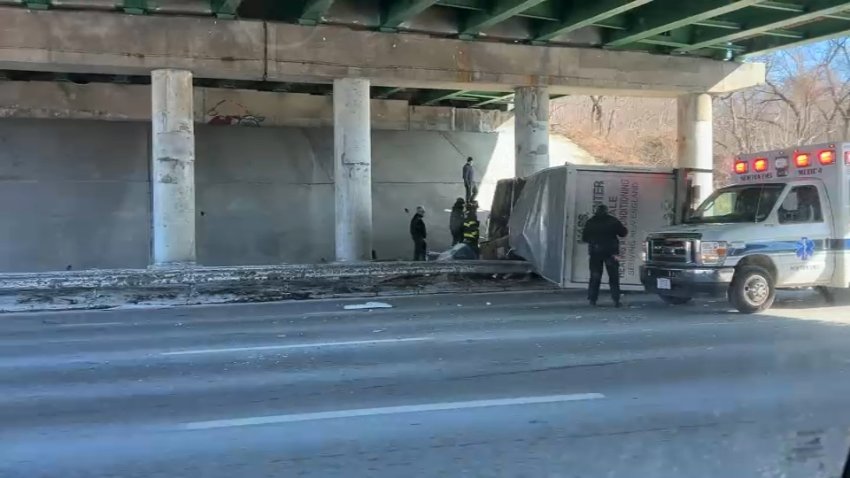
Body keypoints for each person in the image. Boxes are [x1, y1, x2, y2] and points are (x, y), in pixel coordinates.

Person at [581, 204, 628, 307]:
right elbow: (623, 233)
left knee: (595, 276)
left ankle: (593, 299)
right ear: (606, 211)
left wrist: (594, 241)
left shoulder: (591, 222)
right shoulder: (613, 221)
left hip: (595, 253)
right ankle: (616, 299)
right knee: (613, 277)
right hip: (611, 253)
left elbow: (584, 238)